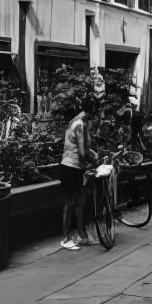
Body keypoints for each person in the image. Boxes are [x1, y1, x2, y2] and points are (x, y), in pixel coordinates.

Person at [59, 96, 99, 251]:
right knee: (70, 203)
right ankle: (65, 238)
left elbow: (81, 148)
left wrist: (92, 153)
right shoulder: (80, 124)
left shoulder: (75, 122)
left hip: (72, 167)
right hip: (72, 167)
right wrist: (90, 162)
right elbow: (82, 153)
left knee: (78, 202)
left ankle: (82, 236)